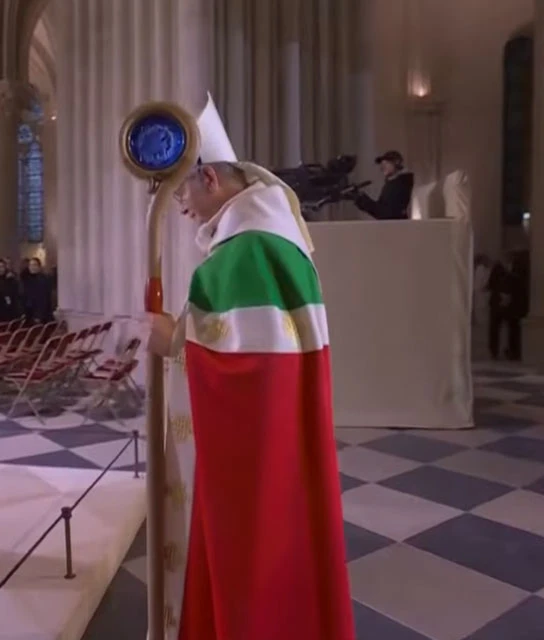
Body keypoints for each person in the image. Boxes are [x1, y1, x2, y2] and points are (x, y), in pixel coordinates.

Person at [143, 95, 354, 639]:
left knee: (250, 565)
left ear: (210, 178)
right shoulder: (269, 239)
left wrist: (173, 343)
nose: (180, 207)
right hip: (279, 446)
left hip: (251, 459)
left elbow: (252, 375)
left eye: (181, 192)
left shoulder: (247, 252)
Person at [352, 150, 414, 220]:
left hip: (396, 225)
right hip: (394, 225)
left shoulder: (400, 185)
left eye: (386, 163)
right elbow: (381, 210)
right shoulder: (393, 183)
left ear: (397, 162)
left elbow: (386, 213)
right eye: (382, 164)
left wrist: (361, 198)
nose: (382, 167)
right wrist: (360, 198)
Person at [21, 258, 54, 324]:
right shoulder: (27, 280)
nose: (32, 267)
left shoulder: (43, 280)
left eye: (34, 265)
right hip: (29, 313)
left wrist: (39, 316)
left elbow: (44, 299)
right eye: (30, 265)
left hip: (41, 315)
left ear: (39, 267)